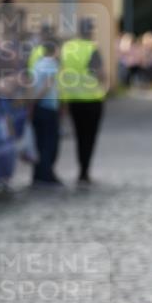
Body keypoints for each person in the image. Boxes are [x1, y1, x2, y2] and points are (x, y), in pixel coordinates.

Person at [60, 17, 107, 186]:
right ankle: (84, 172)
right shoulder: (92, 49)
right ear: (91, 31)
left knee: (79, 137)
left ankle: (81, 169)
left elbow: (62, 72)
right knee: (89, 137)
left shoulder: (67, 48)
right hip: (92, 100)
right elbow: (100, 74)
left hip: (73, 99)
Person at [30, 39, 62, 186]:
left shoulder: (37, 64)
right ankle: (46, 174)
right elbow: (47, 85)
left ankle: (38, 173)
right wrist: (36, 100)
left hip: (38, 108)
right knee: (50, 143)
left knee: (39, 141)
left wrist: (31, 103)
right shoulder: (51, 64)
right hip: (47, 107)